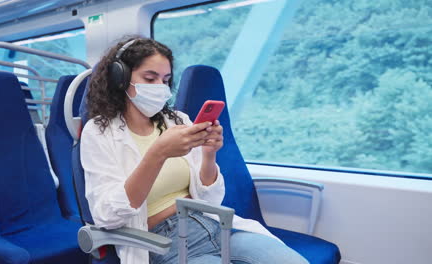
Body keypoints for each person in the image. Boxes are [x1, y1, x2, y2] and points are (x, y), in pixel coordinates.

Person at [80, 36, 308, 264]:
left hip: (214, 226)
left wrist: (209, 154)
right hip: (163, 243)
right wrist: (157, 154)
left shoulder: (177, 120)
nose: (160, 88)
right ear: (121, 78)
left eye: (165, 80)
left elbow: (210, 198)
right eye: (150, 78)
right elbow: (106, 216)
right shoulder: (99, 133)